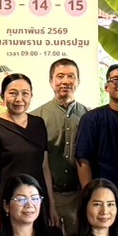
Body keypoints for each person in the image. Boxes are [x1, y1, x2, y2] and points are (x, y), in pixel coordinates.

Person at [0, 73, 52, 232]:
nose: (19, 99)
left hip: (36, 204)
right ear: (3, 96)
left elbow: (44, 167)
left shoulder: (38, 124)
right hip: (8, 205)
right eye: (13, 93)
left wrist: (51, 205)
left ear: (31, 95)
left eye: (25, 93)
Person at [35, 58, 87, 227]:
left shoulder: (89, 116)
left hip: (80, 196)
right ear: (51, 81)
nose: (65, 81)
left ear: (78, 81)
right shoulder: (36, 117)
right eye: (60, 76)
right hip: (50, 196)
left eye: (71, 76)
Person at [74, 64, 118, 188]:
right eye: (115, 80)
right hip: (103, 191)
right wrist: (89, 194)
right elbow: (82, 159)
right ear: (106, 87)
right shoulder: (92, 118)